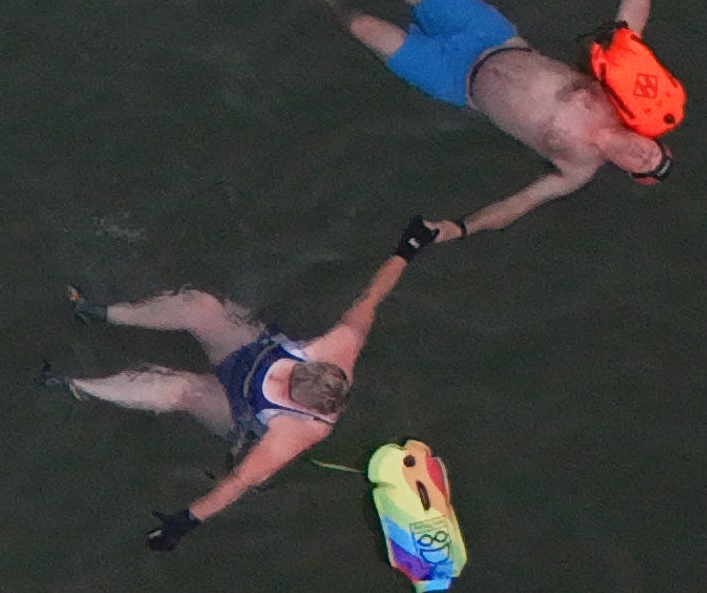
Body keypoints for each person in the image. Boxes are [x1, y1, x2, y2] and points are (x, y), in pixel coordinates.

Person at [280, 0, 685, 227]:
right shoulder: (617, 103)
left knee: (363, 27)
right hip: (491, 36)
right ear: (650, 136)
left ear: (632, 174)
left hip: (454, 81)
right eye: (656, 152)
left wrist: (460, 228)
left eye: (648, 167)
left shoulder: (576, 168)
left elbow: (518, 205)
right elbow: (628, 29)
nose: (647, 156)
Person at [57, 228, 430, 537]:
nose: (284, 378)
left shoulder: (293, 433)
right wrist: (407, 248)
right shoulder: (341, 343)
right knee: (200, 307)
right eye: (292, 371)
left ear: (299, 407)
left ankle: (76, 385)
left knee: (180, 389)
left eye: (287, 388)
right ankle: (100, 313)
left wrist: (184, 521)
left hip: (240, 408)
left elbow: (238, 482)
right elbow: (373, 295)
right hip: (249, 352)